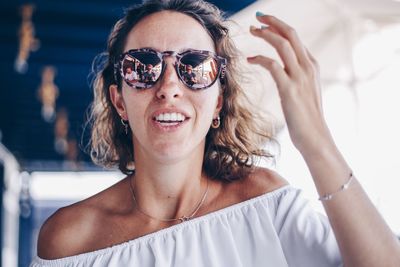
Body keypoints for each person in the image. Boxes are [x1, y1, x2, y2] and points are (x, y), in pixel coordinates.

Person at [31, 1, 400, 266]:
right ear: (119, 101)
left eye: (194, 66)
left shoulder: (264, 205)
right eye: (143, 67)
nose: (169, 86)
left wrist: (316, 144)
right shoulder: (70, 239)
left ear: (219, 100)